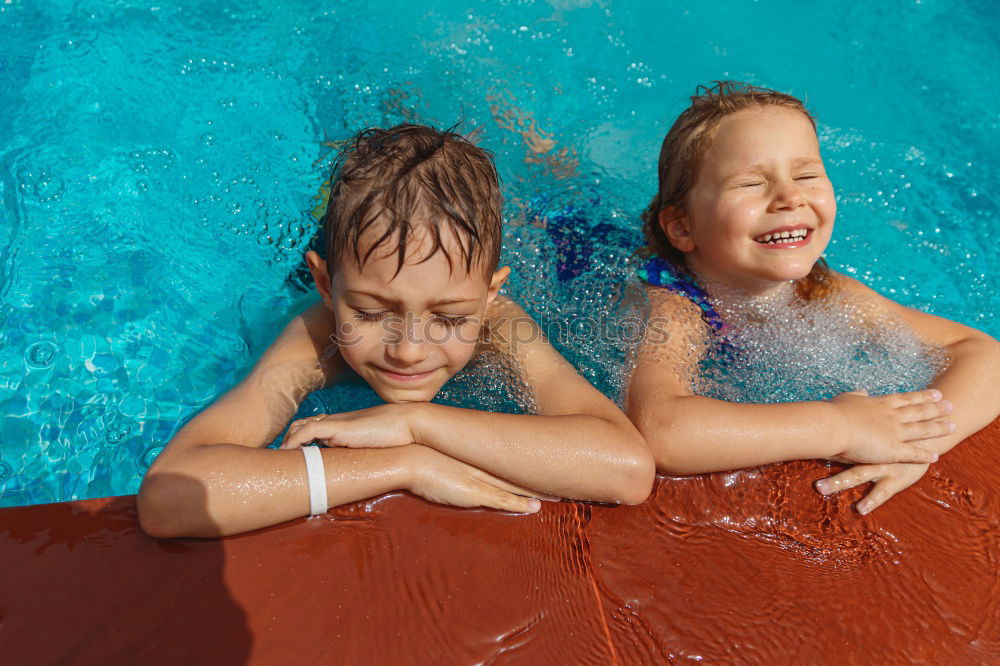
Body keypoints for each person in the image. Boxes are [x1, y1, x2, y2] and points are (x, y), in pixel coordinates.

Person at [138, 124, 654, 538]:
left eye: (451, 318)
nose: (408, 350)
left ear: (490, 295)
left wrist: (416, 425)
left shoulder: (500, 329)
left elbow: (625, 468)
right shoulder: (317, 338)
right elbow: (170, 499)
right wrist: (405, 466)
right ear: (324, 286)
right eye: (368, 312)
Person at [627, 82, 1000, 514]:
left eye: (806, 175)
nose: (790, 197)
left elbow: (981, 351)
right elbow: (663, 429)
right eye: (750, 183)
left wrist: (919, 444)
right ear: (683, 227)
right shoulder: (676, 307)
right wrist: (841, 425)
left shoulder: (824, 292)